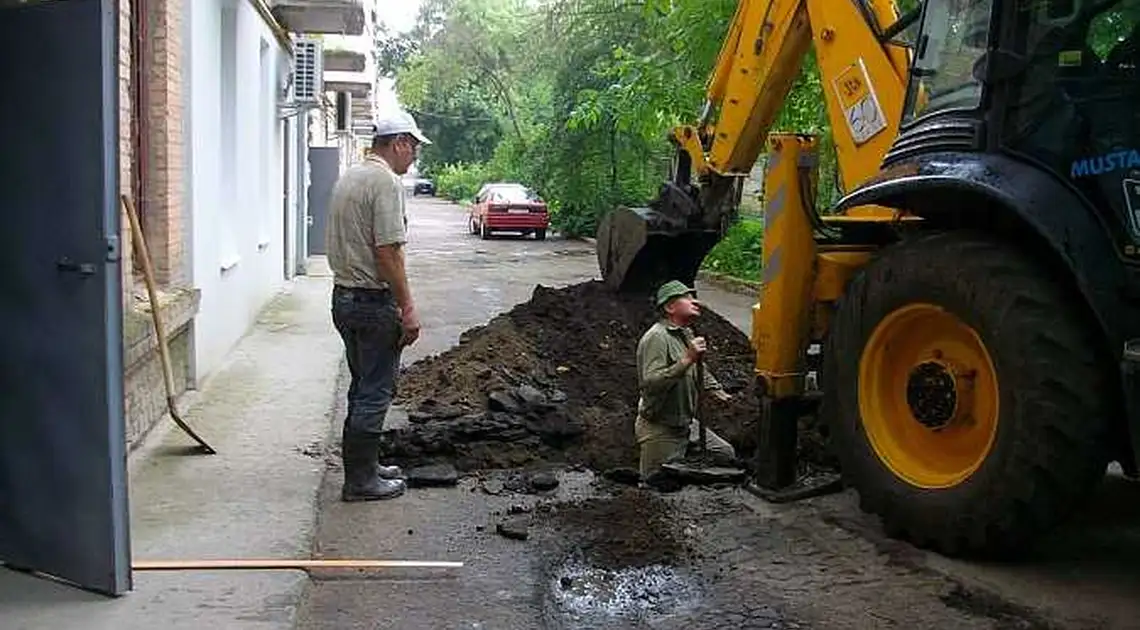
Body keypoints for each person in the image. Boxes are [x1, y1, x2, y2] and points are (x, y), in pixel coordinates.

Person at [325, 109, 430, 502]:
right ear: (399, 142)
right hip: (371, 302)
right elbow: (388, 253)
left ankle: (365, 469)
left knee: (361, 385)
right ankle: (361, 482)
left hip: (344, 299)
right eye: (414, 148)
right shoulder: (384, 181)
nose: (415, 156)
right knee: (375, 391)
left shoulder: (351, 175)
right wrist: (408, 308)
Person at [634, 280, 738, 481]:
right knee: (656, 484)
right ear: (669, 307)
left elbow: (701, 369)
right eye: (687, 297)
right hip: (662, 426)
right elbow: (650, 383)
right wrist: (688, 358)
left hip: (687, 425)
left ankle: (684, 466)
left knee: (725, 455)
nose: (695, 302)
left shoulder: (686, 333)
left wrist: (719, 393)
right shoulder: (656, 337)